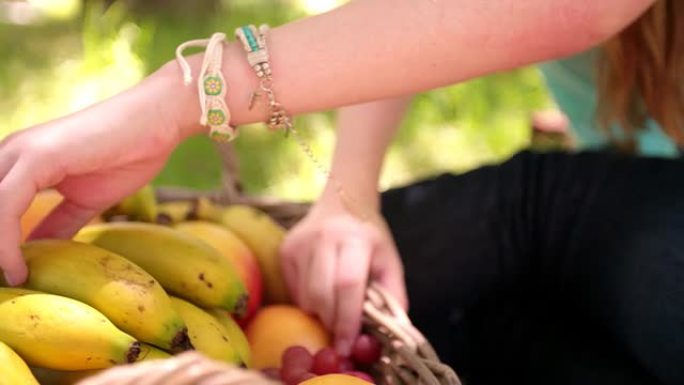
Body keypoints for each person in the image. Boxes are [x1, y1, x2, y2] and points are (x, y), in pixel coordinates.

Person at [0, 0, 681, 383]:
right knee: (377, 313)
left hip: (586, 208)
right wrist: (348, 196)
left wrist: (179, 99)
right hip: (619, 195)